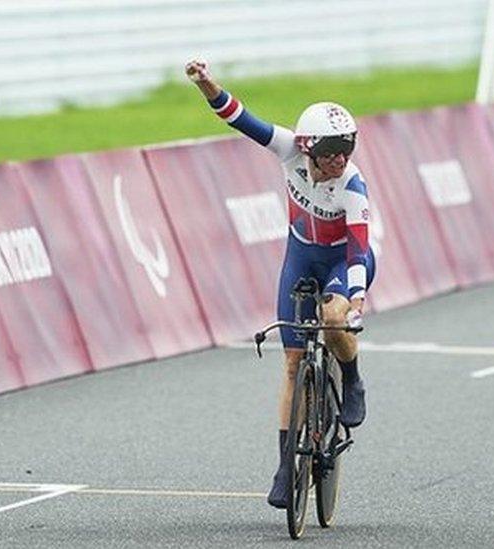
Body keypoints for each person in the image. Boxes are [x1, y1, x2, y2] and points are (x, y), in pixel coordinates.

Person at [185, 58, 376, 509]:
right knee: (292, 362)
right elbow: (240, 119)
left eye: (346, 149)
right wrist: (207, 85)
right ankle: (287, 465)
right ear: (308, 148)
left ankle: (352, 378)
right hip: (300, 258)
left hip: (343, 263)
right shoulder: (288, 148)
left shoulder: (352, 184)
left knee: (332, 319)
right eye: (331, 152)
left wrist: (355, 297)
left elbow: (358, 248)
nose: (339, 160)